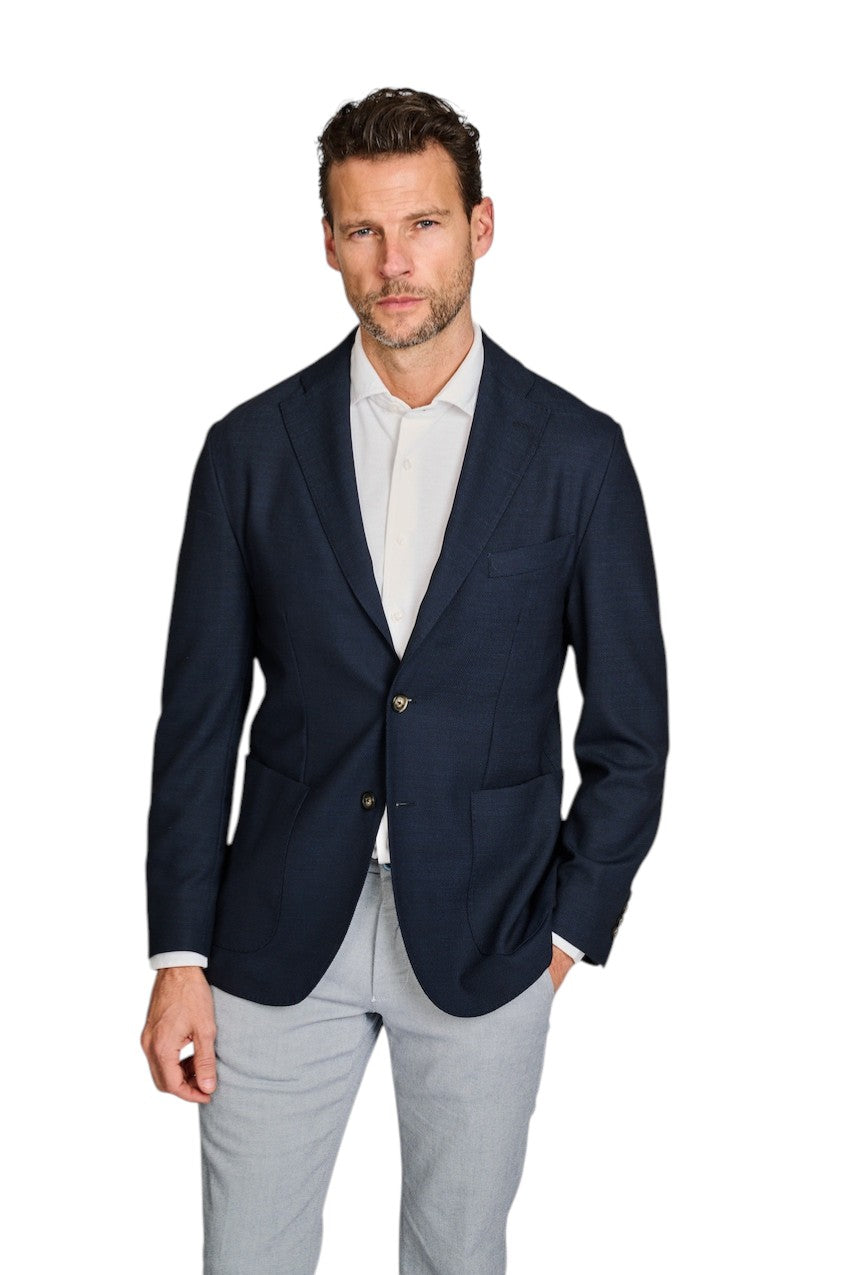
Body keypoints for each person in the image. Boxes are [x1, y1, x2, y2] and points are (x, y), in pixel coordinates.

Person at [141, 86, 668, 1275]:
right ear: (328, 242)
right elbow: (198, 723)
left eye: (422, 224)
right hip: (274, 932)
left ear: (480, 226)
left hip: (490, 929)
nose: (394, 263)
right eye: (364, 230)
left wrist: (567, 933)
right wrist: (178, 955)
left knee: (455, 1256)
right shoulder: (249, 451)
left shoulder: (577, 455)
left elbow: (630, 732)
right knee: (247, 1258)